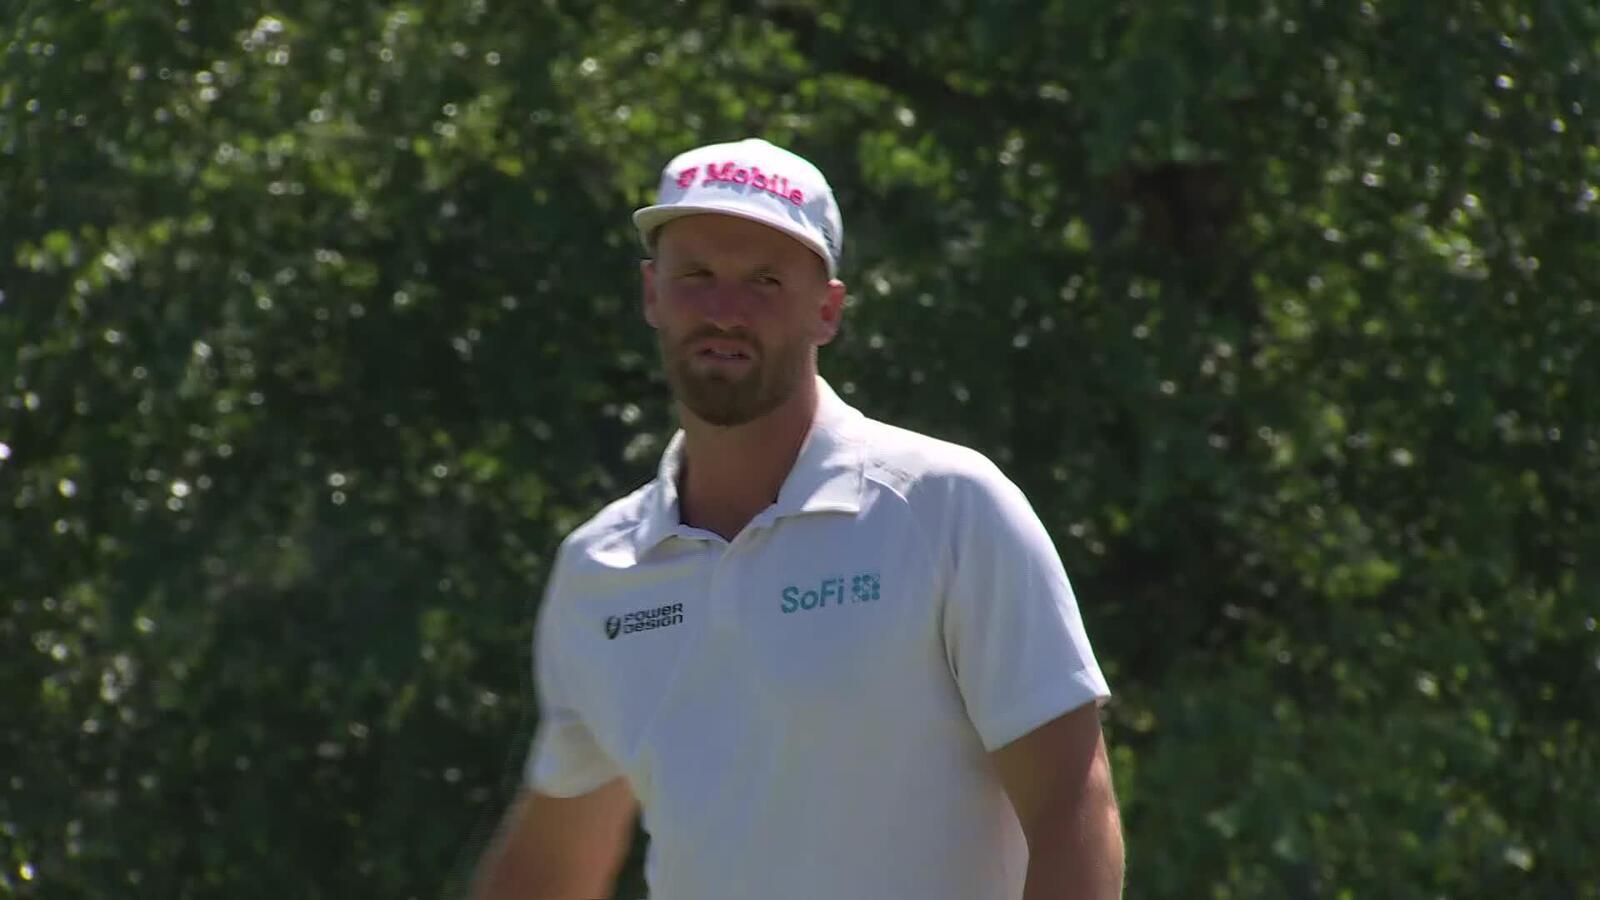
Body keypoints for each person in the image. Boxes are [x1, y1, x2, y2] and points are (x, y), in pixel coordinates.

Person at [470, 138, 1124, 900]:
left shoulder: (945, 508)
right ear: (652, 294)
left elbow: (1072, 808)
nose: (723, 311)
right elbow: (551, 870)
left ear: (827, 311)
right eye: (697, 277)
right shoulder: (600, 570)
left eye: (765, 281)